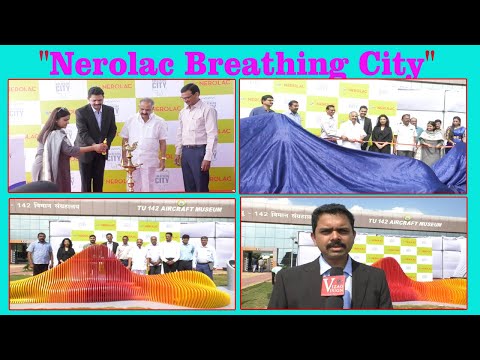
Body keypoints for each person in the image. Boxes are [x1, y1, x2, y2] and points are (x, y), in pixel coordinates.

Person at [268, 204, 393, 309]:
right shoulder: (287, 279)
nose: (335, 237)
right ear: (314, 238)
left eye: (343, 231)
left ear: (353, 236)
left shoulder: (376, 277)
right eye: (326, 231)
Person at [31, 107, 107, 192]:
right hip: (47, 168)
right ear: (56, 120)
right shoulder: (56, 134)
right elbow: (69, 150)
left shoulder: (47, 131)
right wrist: (93, 147)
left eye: (68, 120)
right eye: (65, 120)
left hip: (41, 167)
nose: (68, 122)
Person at [174, 83, 218, 192]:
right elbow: (180, 132)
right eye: (183, 98)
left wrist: (207, 157)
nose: (185, 100)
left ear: (197, 94)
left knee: (201, 185)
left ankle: (203, 207)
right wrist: (178, 151)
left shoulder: (208, 110)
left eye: (188, 97)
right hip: (186, 151)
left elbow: (212, 134)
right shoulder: (183, 112)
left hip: (199, 151)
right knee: (188, 185)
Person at [74, 86, 117, 192]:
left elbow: (112, 129)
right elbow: (83, 132)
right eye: (94, 100)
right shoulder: (80, 112)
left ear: (103, 98)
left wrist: (107, 144)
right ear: (88, 99)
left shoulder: (109, 110)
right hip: (85, 150)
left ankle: (99, 205)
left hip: (101, 151)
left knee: (99, 182)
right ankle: (86, 206)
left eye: (100, 100)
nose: (97, 103)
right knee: (86, 184)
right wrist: (94, 146)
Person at [120, 98, 168, 192]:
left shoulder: (160, 122)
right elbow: (124, 139)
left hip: (149, 160)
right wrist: (124, 157)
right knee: (132, 185)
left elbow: (162, 142)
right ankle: (132, 204)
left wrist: (163, 159)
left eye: (147, 109)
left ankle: (147, 205)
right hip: (132, 160)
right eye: (142, 109)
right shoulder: (131, 120)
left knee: (149, 186)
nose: (144, 112)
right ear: (138, 107)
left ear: (153, 108)